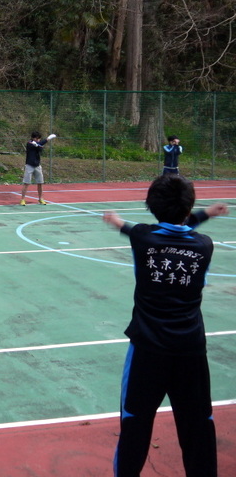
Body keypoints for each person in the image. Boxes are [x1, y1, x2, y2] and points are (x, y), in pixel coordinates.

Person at [102, 174, 228, 477]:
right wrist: (206, 214)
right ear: (189, 207)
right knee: (198, 425)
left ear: (151, 206)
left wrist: (115, 220)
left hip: (147, 349)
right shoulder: (204, 245)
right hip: (190, 349)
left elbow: (131, 227)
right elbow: (182, 227)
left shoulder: (143, 238)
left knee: (135, 422)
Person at [19, 131, 56, 205]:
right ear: (34, 138)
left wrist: (41, 143)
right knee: (26, 183)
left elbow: (40, 147)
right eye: (37, 138)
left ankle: (40, 198)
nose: (38, 140)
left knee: (40, 182)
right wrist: (46, 140)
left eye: (39, 139)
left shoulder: (38, 144)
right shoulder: (29, 143)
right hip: (29, 165)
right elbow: (35, 145)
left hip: (37, 166)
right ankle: (22, 199)